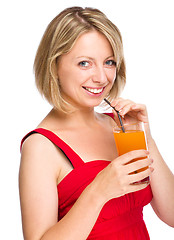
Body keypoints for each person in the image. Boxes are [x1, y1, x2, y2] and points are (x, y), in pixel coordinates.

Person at [19, 6, 174, 240]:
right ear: (54, 67)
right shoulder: (41, 147)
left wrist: (146, 137)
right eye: (84, 63)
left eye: (109, 62)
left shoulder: (120, 126)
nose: (102, 77)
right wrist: (98, 191)